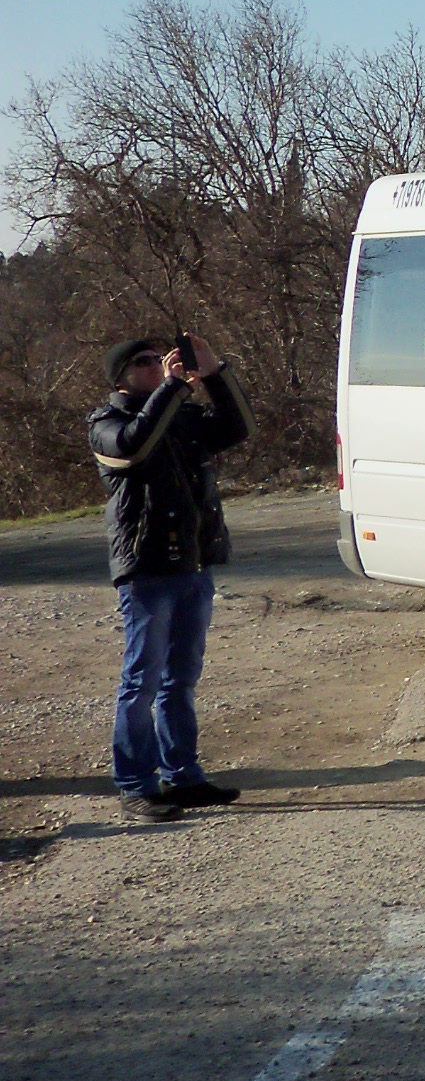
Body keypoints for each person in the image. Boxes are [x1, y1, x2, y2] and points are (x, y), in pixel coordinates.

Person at [89, 333, 251, 822]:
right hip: (147, 568)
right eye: (142, 363)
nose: (156, 367)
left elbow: (238, 427)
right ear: (120, 377)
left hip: (193, 565)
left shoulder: (180, 414)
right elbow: (134, 449)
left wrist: (213, 371)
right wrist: (175, 388)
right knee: (142, 681)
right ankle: (136, 784)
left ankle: (183, 776)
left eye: (158, 360)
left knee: (180, 680)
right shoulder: (106, 423)